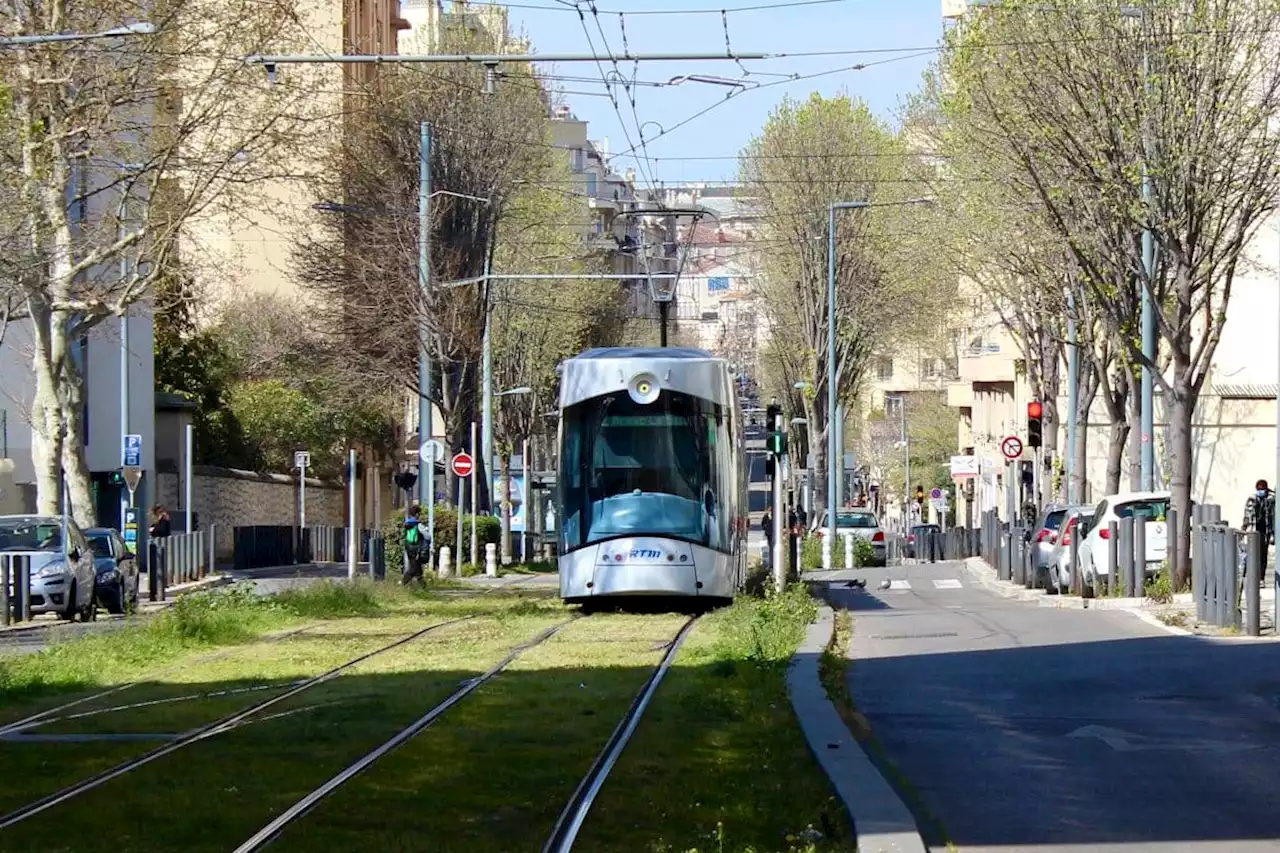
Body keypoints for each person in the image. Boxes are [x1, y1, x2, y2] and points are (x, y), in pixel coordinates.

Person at [1242, 479, 1275, 585]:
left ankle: (1261, 578)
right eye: (1259, 489)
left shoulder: (1270, 499)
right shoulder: (1252, 499)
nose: (1260, 491)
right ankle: (1250, 576)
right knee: (1253, 554)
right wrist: (1244, 528)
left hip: (1265, 531)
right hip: (1254, 530)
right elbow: (1247, 515)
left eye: (1262, 489)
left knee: (1263, 555)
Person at [402, 502, 430, 584]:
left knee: (417, 568)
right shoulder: (417, 524)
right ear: (417, 514)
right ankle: (402, 583)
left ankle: (423, 587)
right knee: (413, 568)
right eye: (419, 513)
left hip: (409, 548)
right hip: (416, 549)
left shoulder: (407, 523)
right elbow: (428, 537)